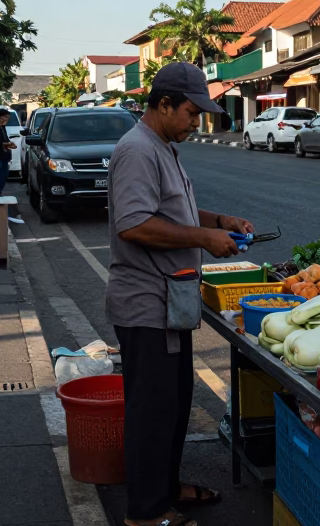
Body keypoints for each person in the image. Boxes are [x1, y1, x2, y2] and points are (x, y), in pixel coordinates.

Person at [106, 62, 254, 526]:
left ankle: (165, 489)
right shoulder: (137, 150)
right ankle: (145, 513)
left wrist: (217, 222)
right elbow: (133, 224)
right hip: (147, 304)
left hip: (171, 303)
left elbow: (175, 209)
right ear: (164, 104)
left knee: (173, 406)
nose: (197, 122)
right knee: (152, 413)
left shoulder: (163, 146)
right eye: (191, 113)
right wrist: (204, 240)